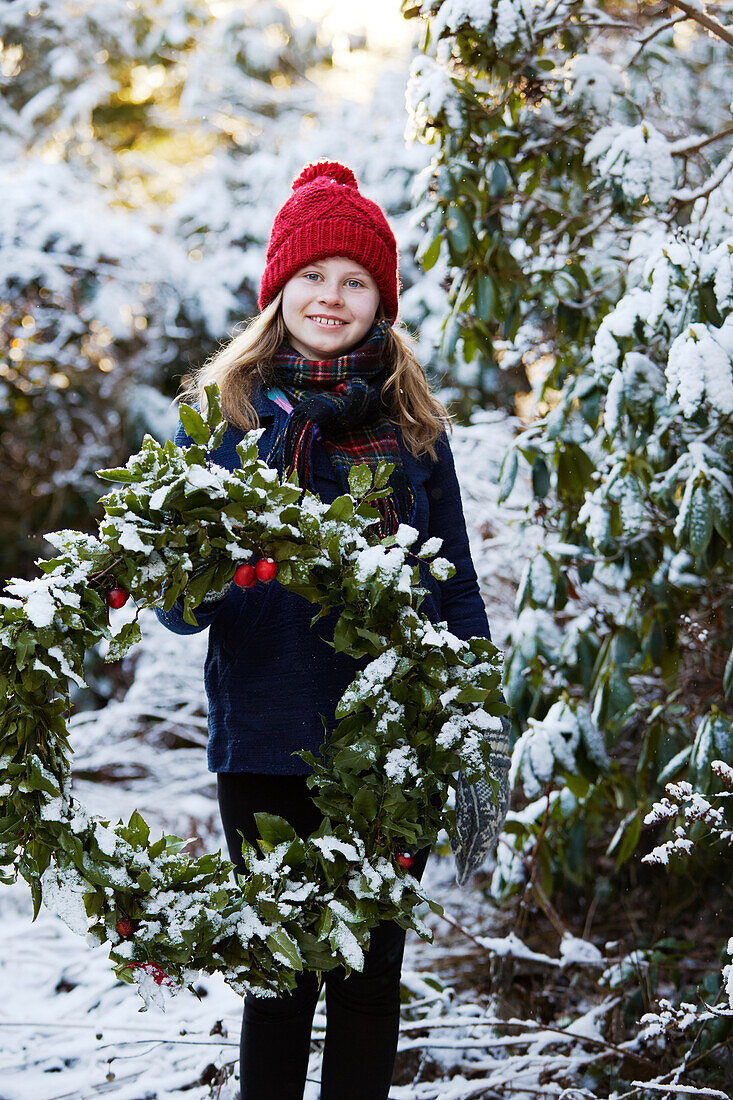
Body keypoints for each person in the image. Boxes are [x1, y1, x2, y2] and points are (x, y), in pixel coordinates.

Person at [155, 160, 507, 1100]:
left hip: (391, 744)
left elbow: (455, 584)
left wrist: (474, 722)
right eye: (313, 275)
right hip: (265, 743)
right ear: (278, 290)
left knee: (364, 982)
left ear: (379, 302)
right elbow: (172, 604)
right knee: (278, 981)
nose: (331, 295)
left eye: (355, 279)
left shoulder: (413, 431)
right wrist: (210, 576)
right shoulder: (220, 425)